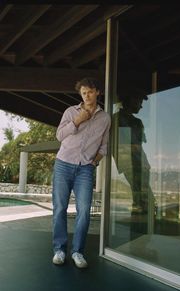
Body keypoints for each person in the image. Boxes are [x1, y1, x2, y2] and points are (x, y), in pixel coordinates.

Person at [52, 77, 111, 268]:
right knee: (60, 208)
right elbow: (59, 135)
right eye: (83, 93)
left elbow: (104, 146)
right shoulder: (71, 112)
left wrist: (94, 162)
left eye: (90, 92)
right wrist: (78, 121)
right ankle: (59, 250)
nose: (87, 96)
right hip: (63, 164)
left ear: (97, 92)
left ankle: (78, 252)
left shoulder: (105, 118)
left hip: (85, 169)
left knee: (84, 211)